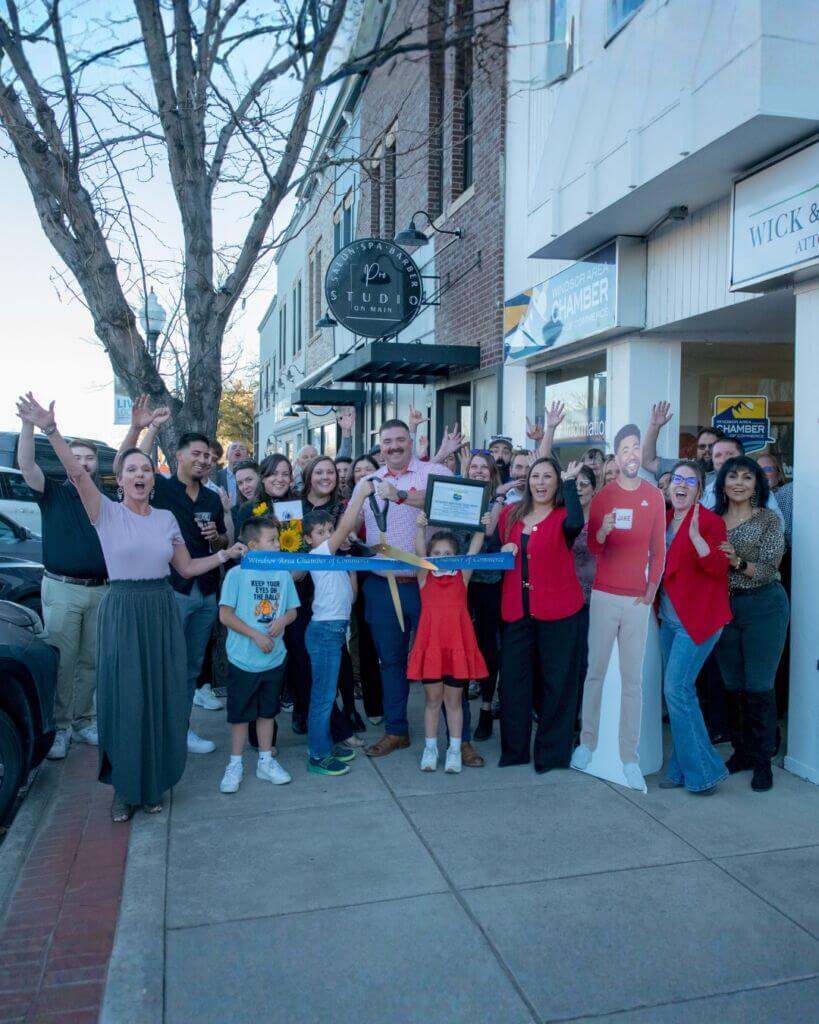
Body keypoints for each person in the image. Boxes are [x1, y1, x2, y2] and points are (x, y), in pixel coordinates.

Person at [17, 394, 245, 821]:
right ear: (119, 480)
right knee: (123, 701)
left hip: (161, 607)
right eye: (131, 470)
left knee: (160, 698)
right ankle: (124, 788)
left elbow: (187, 566)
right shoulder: (104, 512)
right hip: (122, 608)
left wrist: (224, 555)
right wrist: (49, 428)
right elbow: (74, 472)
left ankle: (152, 782)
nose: (139, 475)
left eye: (145, 469)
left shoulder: (165, 520)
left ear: (153, 480)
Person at [121, 404, 230, 752]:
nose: (203, 460)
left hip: (207, 591)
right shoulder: (161, 490)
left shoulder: (213, 497)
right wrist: (148, 428)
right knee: (162, 664)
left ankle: (182, 730)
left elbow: (222, 543)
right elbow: (128, 461)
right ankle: (155, 733)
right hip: (172, 590)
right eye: (195, 454)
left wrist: (217, 537)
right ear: (178, 456)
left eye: (207, 456)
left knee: (191, 666)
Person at [359, 418, 462, 759]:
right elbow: (351, 522)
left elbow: (448, 500)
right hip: (382, 585)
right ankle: (396, 731)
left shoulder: (434, 472)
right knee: (391, 661)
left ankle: (459, 740)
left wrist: (401, 495)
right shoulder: (369, 481)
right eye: (387, 442)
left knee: (448, 658)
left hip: (431, 585)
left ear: (410, 440)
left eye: (399, 440)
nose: (393, 447)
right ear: (380, 445)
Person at [572, 424, 666, 791]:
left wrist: (651, 590)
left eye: (636, 447)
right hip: (604, 595)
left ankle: (630, 757)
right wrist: (602, 532)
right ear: (616, 453)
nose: (631, 454)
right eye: (625, 448)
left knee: (632, 679)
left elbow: (659, 550)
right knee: (595, 672)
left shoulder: (654, 497)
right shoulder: (604, 496)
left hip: (637, 599)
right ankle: (588, 743)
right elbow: (594, 550)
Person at [16, 417, 108, 759]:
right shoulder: (52, 491)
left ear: (97, 464)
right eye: (77, 456)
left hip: (101, 590)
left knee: (90, 662)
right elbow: (25, 463)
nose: (83, 463)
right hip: (62, 589)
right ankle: (61, 727)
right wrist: (29, 425)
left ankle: (85, 722)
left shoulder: (104, 496)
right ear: (66, 459)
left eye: (89, 458)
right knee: (64, 661)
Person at [497, 459, 585, 771]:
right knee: (513, 683)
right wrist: (503, 546)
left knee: (557, 684)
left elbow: (576, 523)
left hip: (559, 611)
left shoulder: (564, 514)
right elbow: (496, 547)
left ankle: (552, 755)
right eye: (536, 476)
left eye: (548, 476)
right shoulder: (510, 514)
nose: (541, 482)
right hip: (516, 611)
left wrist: (571, 483)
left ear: (557, 483)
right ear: (527, 481)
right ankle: (515, 751)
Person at [713, 456, 788, 792]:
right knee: (732, 683)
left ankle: (762, 763)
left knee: (759, 686)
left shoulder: (769, 520)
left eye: (747, 477)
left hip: (764, 607)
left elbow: (769, 570)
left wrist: (735, 560)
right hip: (724, 610)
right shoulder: (712, 519)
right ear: (723, 483)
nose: (739, 483)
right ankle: (741, 752)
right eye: (733, 476)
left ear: (757, 483)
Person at [656, 461, 731, 794]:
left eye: (690, 480)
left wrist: (700, 541)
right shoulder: (663, 519)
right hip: (669, 621)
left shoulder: (711, 521)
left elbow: (717, 569)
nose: (681, 485)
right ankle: (679, 770)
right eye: (676, 479)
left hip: (697, 620)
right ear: (669, 486)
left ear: (700, 490)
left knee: (678, 691)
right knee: (679, 694)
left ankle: (705, 772)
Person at [218, 517, 300, 793]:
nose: (278, 545)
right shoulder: (236, 575)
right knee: (241, 716)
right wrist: (254, 634)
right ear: (252, 545)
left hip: (274, 658)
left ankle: (266, 761)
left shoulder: (282, 574)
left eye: (277, 539)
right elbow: (225, 615)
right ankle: (235, 763)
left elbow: (292, 610)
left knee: (267, 712)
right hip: (243, 659)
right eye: (272, 540)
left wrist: (283, 622)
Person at [303, 479, 374, 776]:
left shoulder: (336, 560)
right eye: (320, 533)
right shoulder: (318, 555)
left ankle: (325, 744)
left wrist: (348, 562)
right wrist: (359, 494)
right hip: (325, 632)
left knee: (326, 694)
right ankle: (317, 754)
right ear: (308, 539)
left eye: (329, 531)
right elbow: (345, 527)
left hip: (336, 630)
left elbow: (352, 597)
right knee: (322, 697)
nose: (329, 536)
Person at [408, 514, 487, 773]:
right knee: (432, 701)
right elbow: (419, 550)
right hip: (431, 646)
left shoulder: (462, 576)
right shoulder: (424, 577)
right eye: (437, 552)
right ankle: (430, 748)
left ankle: (455, 749)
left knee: (454, 701)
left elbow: (475, 548)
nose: (442, 556)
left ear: (456, 555)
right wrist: (420, 528)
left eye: (448, 553)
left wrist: (481, 526)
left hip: (456, 646)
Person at [642, 403, 785, 527]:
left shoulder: (753, 487)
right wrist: (654, 427)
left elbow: (777, 528)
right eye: (702, 446)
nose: (707, 451)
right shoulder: (686, 469)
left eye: (712, 447)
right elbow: (647, 461)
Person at [458, 451, 505, 742]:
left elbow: (489, 532)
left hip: (489, 583)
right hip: (460, 583)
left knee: (488, 646)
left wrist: (497, 499)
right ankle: (459, 709)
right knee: (461, 644)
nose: (478, 472)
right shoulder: (456, 496)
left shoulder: (502, 501)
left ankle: (486, 708)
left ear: (492, 473)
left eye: (483, 468)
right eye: (473, 467)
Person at [571, 465, 597, 722]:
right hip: (567, 599)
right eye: (575, 484)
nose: (579, 489)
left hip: (594, 600)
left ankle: (584, 717)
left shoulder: (603, 519)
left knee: (587, 663)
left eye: (584, 484)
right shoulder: (563, 517)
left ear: (594, 488)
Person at [755, 450, 792, 548]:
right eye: (758, 470)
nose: (762, 474)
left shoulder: (787, 493)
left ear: (779, 475)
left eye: (768, 469)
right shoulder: (748, 499)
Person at [213, 441, 251, 506]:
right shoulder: (216, 476)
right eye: (233, 448)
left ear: (247, 456)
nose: (237, 449)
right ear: (227, 455)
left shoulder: (254, 476)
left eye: (242, 448)